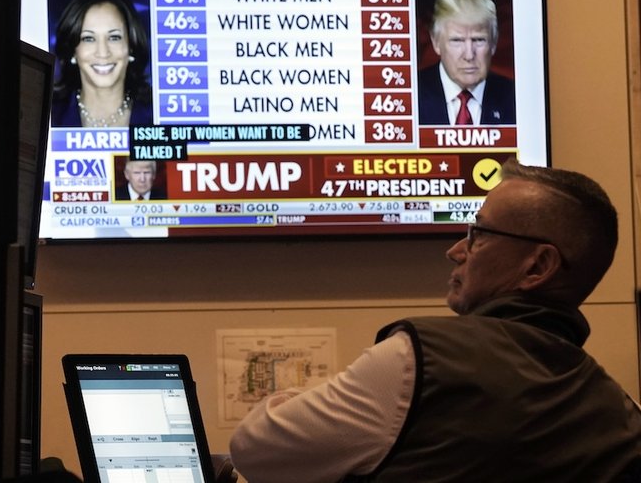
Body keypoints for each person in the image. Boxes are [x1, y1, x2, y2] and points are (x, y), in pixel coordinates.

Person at [229, 158, 641, 482]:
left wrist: (303, 397)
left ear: (538, 267)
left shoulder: (416, 361)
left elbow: (255, 450)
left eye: (479, 234)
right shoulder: (622, 416)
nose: (457, 250)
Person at [51, 0, 153, 127]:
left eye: (114, 37)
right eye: (88, 38)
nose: (103, 52)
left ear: (131, 45)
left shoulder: (157, 113)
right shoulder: (51, 115)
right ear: (73, 50)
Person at [417, 0, 516, 126]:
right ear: (436, 42)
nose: (469, 55)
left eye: (479, 40)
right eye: (457, 41)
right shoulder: (410, 94)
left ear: (494, 42)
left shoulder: (515, 97)